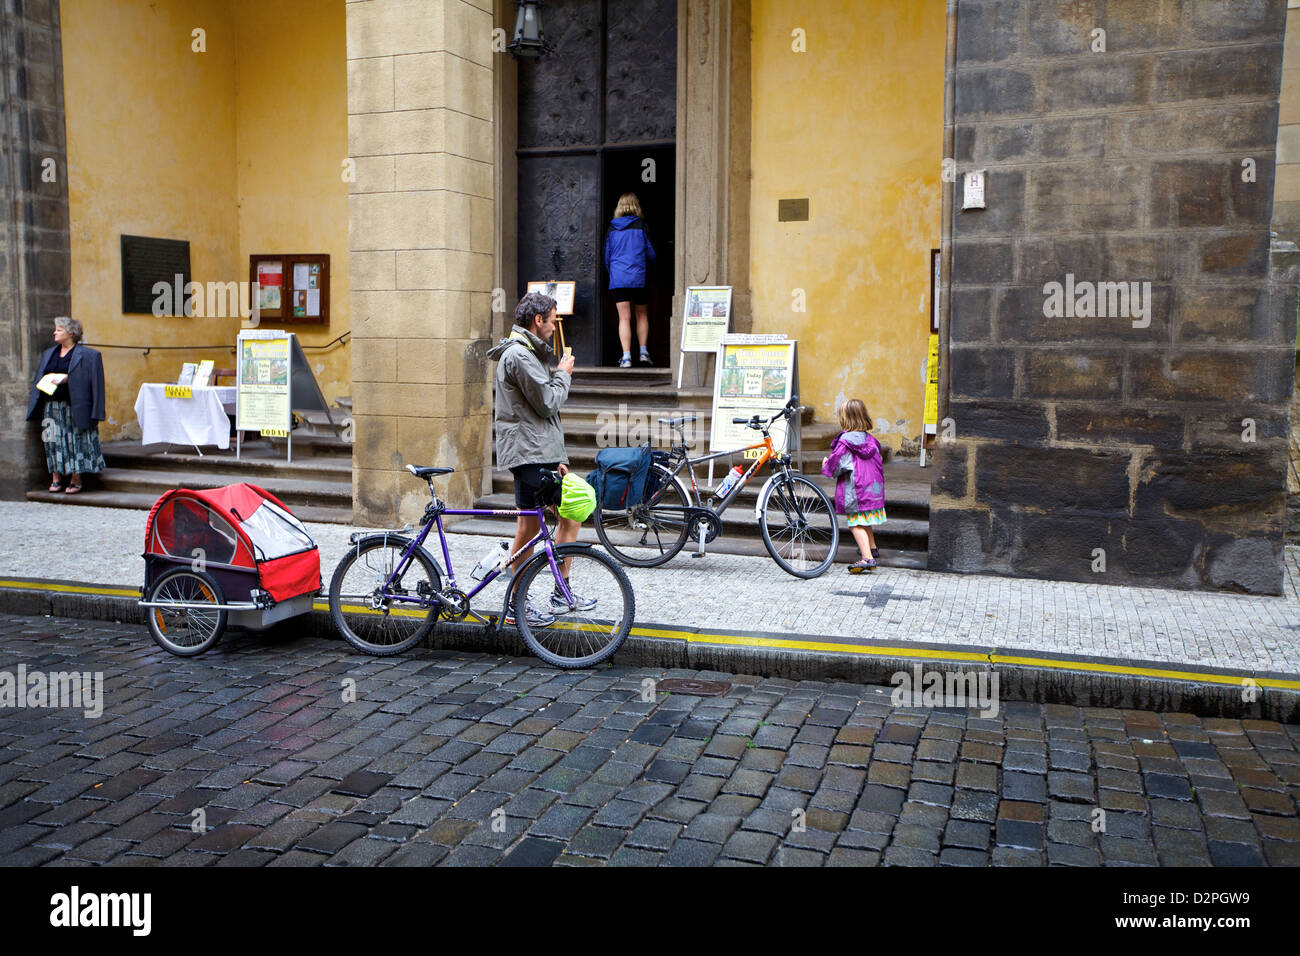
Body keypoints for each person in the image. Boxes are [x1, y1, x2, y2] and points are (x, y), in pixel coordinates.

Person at [486, 292, 591, 627]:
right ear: (538, 320)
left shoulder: (525, 352)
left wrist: (556, 457)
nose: (554, 327)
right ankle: (540, 598)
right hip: (528, 453)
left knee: (531, 526)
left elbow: (537, 414)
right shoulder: (520, 355)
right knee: (568, 516)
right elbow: (547, 403)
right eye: (552, 320)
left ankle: (532, 598)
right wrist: (563, 374)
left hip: (535, 452)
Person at [26, 316, 106, 496]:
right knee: (52, 441)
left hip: (74, 406)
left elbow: (96, 384)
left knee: (75, 442)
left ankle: (76, 479)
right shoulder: (49, 353)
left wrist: (67, 378)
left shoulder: (89, 355)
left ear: (71, 333)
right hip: (51, 406)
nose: (55, 332)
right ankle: (56, 478)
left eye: (59, 330)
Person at [821, 398, 885, 573]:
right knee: (865, 518)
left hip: (856, 490)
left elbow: (836, 466)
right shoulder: (872, 441)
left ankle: (867, 558)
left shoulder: (845, 442)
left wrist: (825, 465)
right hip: (873, 489)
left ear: (845, 419)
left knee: (855, 523)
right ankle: (872, 547)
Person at [604, 191, 657, 367]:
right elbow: (650, 254)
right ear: (636, 206)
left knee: (624, 318)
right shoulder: (641, 226)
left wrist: (613, 273)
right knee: (641, 314)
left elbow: (607, 256)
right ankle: (643, 352)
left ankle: (626, 357)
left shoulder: (612, 228)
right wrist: (650, 270)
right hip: (640, 277)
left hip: (618, 278)